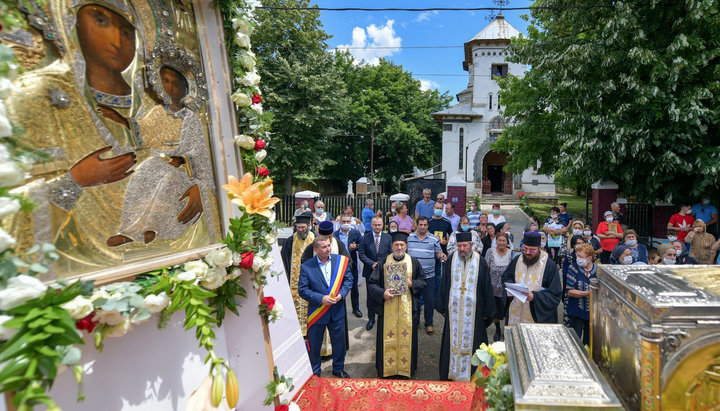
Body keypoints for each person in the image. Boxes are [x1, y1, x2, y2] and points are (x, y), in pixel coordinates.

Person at [436, 232, 495, 381]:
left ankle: (473, 375)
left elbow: (486, 286)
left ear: (471, 245)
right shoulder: (452, 259)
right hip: (454, 313)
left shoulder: (480, 261)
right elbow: (445, 282)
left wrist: (487, 311)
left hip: (474, 313)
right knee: (451, 342)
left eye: (465, 246)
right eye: (460, 246)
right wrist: (443, 306)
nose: (462, 249)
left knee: (475, 342)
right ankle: (451, 374)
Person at [367, 231, 426, 379]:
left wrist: (412, 283)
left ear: (406, 246)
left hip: (407, 308)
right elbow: (372, 283)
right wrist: (382, 294)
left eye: (402, 245)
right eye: (396, 245)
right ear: (392, 246)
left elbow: (424, 281)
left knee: (408, 338)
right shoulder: (383, 263)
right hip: (388, 309)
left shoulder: (413, 262)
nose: (399, 247)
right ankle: (387, 370)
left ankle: (406, 370)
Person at [298, 236, 353, 378]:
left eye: (329, 245)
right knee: (315, 346)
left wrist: (342, 293)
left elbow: (348, 279)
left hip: (337, 310)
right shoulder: (307, 266)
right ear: (315, 249)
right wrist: (321, 298)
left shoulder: (340, 261)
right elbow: (302, 290)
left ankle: (338, 368)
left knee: (339, 343)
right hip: (317, 311)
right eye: (324, 247)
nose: (328, 249)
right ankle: (315, 372)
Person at [502, 232, 562, 326]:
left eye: (532, 250)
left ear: (539, 248)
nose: (528, 252)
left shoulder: (549, 265)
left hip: (537, 318)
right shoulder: (518, 260)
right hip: (516, 311)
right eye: (525, 248)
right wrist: (512, 288)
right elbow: (506, 277)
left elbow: (555, 294)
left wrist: (534, 297)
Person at [407, 217, 446, 335]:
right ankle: (415, 321)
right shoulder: (409, 238)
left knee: (429, 301)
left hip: (429, 276)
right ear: (416, 225)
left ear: (428, 226)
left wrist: (441, 255)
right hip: (414, 277)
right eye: (420, 224)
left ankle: (429, 324)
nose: (422, 227)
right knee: (415, 300)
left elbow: (438, 252)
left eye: (425, 225)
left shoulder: (434, 239)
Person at [280, 212, 315, 337]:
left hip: (311, 283)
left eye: (303, 227)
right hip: (294, 283)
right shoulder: (290, 241)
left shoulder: (315, 239)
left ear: (309, 225)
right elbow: (284, 260)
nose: (301, 230)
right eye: (298, 227)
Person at [358, 216, 393, 330]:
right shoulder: (365, 238)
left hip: (384, 271)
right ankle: (371, 319)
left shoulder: (388, 237)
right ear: (371, 225)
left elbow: (390, 253)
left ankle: (383, 317)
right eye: (375, 225)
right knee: (371, 296)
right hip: (370, 271)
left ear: (383, 225)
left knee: (384, 294)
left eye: (379, 225)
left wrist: (381, 264)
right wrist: (372, 264)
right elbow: (362, 254)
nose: (377, 227)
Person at [565, 243, 597, 345]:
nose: (578, 258)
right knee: (575, 341)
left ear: (589, 258)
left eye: (581, 256)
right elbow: (570, 291)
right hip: (576, 312)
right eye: (577, 256)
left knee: (590, 342)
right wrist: (588, 293)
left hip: (593, 314)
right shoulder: (573, 268)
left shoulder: (599, 270)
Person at [334, 215, 363, 318]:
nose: (346, 223)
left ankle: (356, 308)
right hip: (339, 265)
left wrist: (356, 247)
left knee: (354, 288)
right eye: (344, 221)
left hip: (352, 265)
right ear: (340, 222)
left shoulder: (355, 233)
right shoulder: (335, 235)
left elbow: (363, 245)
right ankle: (339, 310)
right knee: (339, 288)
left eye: (348, 221)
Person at [486, 232, 511, 342]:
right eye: (499, 240)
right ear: (496, 241)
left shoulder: (511, 253)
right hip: (493, 286)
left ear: (507, 242)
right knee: (496, 311)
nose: (501, 243)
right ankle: (497, 329)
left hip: (506, 288)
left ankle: (507, 329)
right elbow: (486, 268)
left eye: (504, 241)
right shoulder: (490, 252)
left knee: (506, 310)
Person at [428, 201, 453, 299]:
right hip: (429, 253)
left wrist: (447, 241)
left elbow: (451, 236)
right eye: (436, 208)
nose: (438, 210)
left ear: (442, 209)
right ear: (433, 208)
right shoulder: (428, 222)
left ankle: (436, 298)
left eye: (440, 208)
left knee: (439, 277)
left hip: (442, 252)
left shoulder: (447, 222)